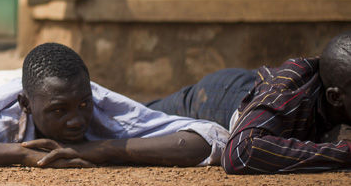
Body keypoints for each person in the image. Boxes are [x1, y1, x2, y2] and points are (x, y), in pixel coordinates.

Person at [0, 42, 228, 170]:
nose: (76, 121)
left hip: (34, 81)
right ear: (26, 105)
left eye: (82, 105)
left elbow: (210, 136)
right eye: (59, 111)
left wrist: (103, 150)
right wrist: (22, 153)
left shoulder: (99, 103)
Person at [148, 32, 351, 173]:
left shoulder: (338, 79)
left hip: (253, 84)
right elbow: (239, 153)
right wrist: (343, 153)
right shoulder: (288, 96)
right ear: (335, 97)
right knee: (134, 116)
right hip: (217, 96)